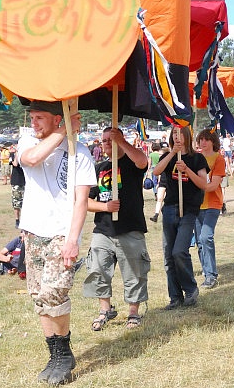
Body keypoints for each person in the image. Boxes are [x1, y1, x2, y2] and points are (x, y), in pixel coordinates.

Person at [17, 100, 96, 386]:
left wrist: (72, 240)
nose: (34, 122)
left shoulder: (80, 152)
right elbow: (31, 159)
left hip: (61, 233)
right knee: (39, 295)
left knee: (55, 293)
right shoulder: (27, 140)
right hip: (33, 232)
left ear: (55, 118)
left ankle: (62, 353)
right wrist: (62, 132)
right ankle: (55, 353)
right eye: (33, 117)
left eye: (40, 118)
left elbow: (81, 201)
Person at [83, 127, 150, 331]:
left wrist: (121, 141)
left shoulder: (131, 163)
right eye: (103, 140)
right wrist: (105, 207)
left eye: (109, 139)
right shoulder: (99, 168)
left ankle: (133, 312)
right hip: (103, 229)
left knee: (134, 272)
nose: (105, 143)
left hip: (130, 227)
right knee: (98, 270)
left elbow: (143, 161)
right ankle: (105, 309)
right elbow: (84, 201)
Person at [151, 126, 209, 309]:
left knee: (179, 251)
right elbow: (156, 172)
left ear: (187, 135)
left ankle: (191, 288)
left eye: (180, 133)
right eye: (174, 133)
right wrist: (172, 153)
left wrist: (187, 171)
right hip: (169, 209)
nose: (177, 136)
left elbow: (203, 184)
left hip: (189, 209)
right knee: (169, 256)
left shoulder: (197, 158)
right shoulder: (168, 157)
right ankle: (175, 297)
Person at [195, 129, 226, 288]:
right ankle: (207, 271)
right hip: (196, 205)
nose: (203, 142)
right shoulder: (194, 158)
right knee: (200, 242)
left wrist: (199, 185)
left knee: (206, 237)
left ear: (213, 141)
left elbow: (214, 184)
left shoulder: (218, 159)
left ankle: (211, 274)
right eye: (201, 139)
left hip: (213, 204)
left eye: (207, 139)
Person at [9, 144, 26, 228]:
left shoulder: (25, 154)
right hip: (16, 181)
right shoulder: (12, 155)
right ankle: (17, 220)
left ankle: (25, 220)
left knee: (27, 202)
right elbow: (15, 164)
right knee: (17, 202)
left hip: (26, 180)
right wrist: (16, 153)